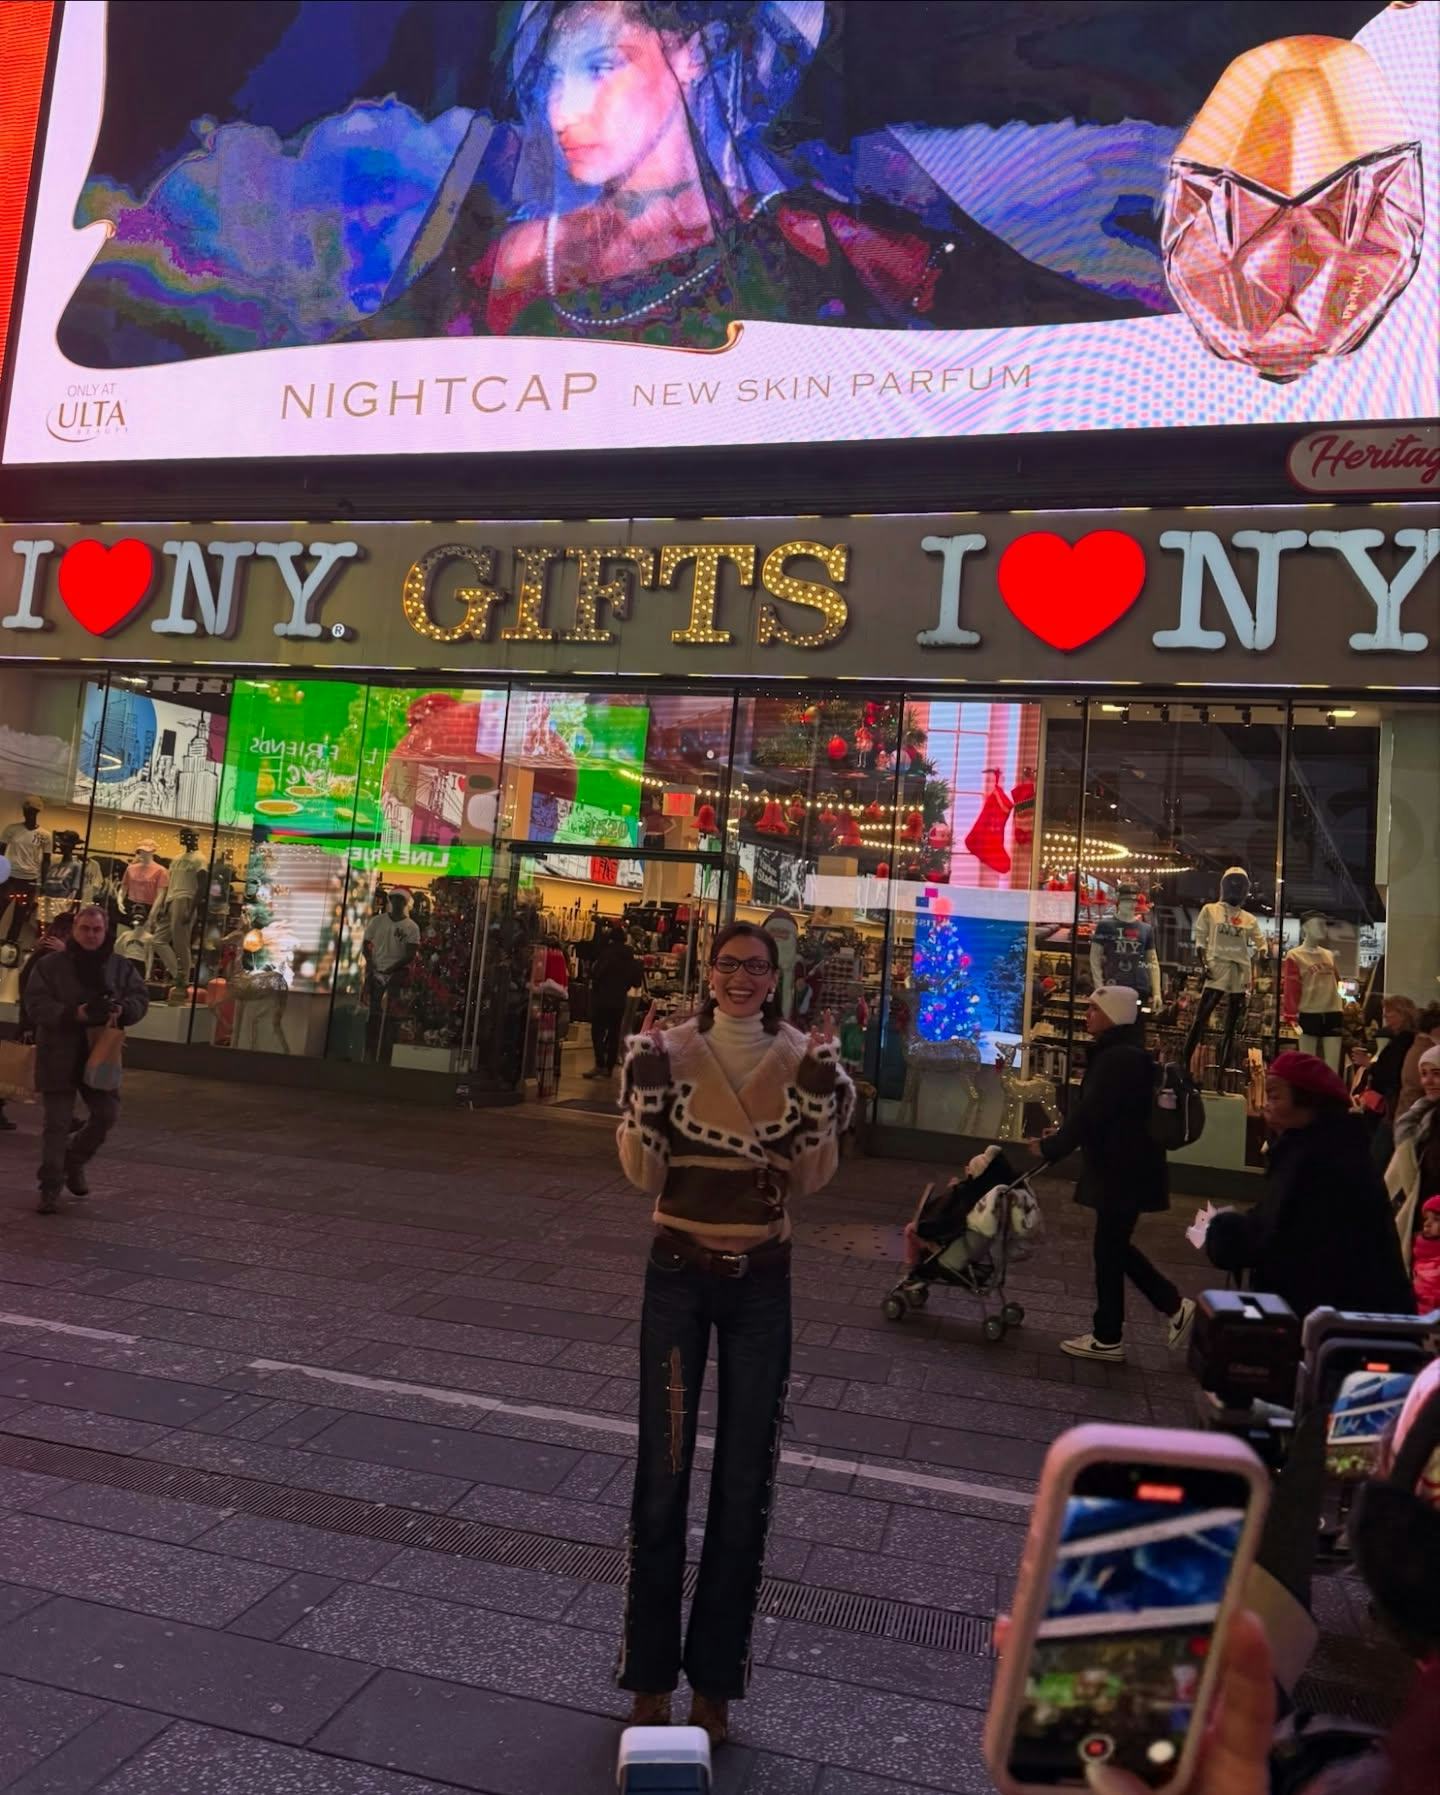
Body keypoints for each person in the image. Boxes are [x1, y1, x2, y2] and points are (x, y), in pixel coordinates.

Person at [360, 1, 1155, 348]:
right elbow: (357, 373)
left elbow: (1043, 329)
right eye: (549, 80)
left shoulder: (815, 246)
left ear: (694, 55)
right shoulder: (515, 263)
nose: (564, 111)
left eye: (602, 66)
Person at [614, 920, 852, 1745]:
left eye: (756, 966)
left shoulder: (800, 1058)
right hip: (676, 1275)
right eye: (729, 964)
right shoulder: (668, 1050)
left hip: (762, 1285)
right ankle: (648, 1681)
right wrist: (644, 1090)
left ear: (775, 976)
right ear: (708, 972)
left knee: (745, 1486)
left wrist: (821, 1095)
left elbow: (811, 1180)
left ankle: (715, 1685)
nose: (741, 977)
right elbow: (644, 1172)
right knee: (663, 1475)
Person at [1032, 984, 1193, 1362]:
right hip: (1127, 1166)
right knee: (1112, 1247)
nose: (1087, 1015)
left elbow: (1091, 1114)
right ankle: (1143, 1319)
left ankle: (1118, 1331)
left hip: (1123, 1169)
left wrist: (1054, 1147)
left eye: (1094, 1009)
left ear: (1115, 1016)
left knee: (1111, 1247)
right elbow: (1102, 1114)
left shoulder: (1117, 1059)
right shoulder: (1123, 1056)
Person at [1206, 1051, 1414, 1320]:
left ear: (1307, 1101)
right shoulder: (1323, 1145)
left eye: (1275, 1096)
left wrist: (1228, 1234)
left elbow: (1291, 1239)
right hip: (1343, 1311)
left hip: (1341, 1319)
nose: (1266, 1105)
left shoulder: (1319, 1158)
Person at [20, 904, 148, 1213]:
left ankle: (73, 1161)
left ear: (106, 933)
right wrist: (72, 1013)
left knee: (106, 1114)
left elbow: (139, 998)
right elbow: (35, 1004)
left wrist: (122, 1010)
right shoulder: (50, 965)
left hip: (100, 1050)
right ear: (75, 930)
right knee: (57, 1124)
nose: (91, 935)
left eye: (97, 930)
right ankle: (50, 1187)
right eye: (85, 929)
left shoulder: (118, 966)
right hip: (59, 1051)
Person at [1387, 1043, 1440, 1270]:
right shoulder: (1426, 1115)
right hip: (1426, 1218)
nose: (1427, 1081)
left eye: (1436, 1074)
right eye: (1424, 1074)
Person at [1352, 995, 1420, 1169]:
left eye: (1390, 1013)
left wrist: (1369, 1065)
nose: (1386, 1017)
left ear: (1402, 1014)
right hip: (1394, 1104)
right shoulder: (1408, 1040)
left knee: (1378, 1158)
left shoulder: (1403, 1041)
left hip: (1394, 1106)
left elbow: (1389, 1073)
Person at [360, 889, 420, 1064]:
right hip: (377, 971)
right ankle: (370, 1052)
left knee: (392, 1017)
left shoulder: (411, 927)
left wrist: (392, 969)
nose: (397, 902)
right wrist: (370, 962)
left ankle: (387, 1054)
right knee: (373, 1013)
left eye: (401, 900)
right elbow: (366, 943)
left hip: (396, 975)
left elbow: (410, 954)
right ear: (390, 900)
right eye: (394, 898)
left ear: (406, 903)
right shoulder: (378, 921)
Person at [585, 928, 644, 1079]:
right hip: (619, 1001)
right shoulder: (630, 957)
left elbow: (597, 973)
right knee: (614, 1033)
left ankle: (599, 1064)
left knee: (597, 1032)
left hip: (603, 999)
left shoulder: (606, 953)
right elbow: (635, 981)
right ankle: (609, 1068)